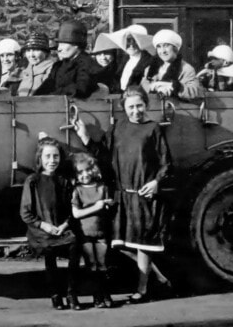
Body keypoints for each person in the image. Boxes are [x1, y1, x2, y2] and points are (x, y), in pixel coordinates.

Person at [74, 86, 173, 304]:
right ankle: (159, 278)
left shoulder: (153, 129)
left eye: (139, 106)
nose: (136, 111)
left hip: (143, 195)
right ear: (124, 108)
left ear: (146, 105)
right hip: (121, 194)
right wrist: (85, 138)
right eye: (131, 107)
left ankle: (142, 290)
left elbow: (166, 163)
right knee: (120, 244)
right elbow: (103, 155)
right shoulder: (118, 127)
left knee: (142, 245)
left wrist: (156, 183)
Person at [20, 136, 76, 310]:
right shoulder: (33, 181)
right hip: (42, 230)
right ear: (40, 158)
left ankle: (71, 294)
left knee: (75, 246)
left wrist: (64, 226)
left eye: (56, 156)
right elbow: (25, 212)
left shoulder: (64, 181)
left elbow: (72, 210)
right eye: (48, 157)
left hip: (62, 228)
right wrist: (44, 226)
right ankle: (55, 295)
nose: (52, 161)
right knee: (49, 251)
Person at [69, 152, 114, 309]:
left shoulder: (102, 188)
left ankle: (104, 294)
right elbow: (76, 213)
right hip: (85, 235)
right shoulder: (77, 191)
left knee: (103, 264)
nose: (84, 174)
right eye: (80, 172)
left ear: (93, 170)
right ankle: (96, 296)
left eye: (87, 170)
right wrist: (97, 206)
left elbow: (108, 209)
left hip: (101, 233)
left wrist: (108, 204)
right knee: (91, 265)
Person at [36, 20, 99, 98]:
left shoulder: (87, 64)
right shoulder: (58, 66)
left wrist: (54, 94)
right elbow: (45, 88)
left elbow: (81, 89)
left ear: (76, 45)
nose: (59, 49)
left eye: (63, 44)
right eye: (59, 44)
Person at [142, 29, 201, 100]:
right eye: (159, 47)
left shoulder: (186, 69)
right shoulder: (150, 68)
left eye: (166, 46)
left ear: (175, 48)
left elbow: (194, 92)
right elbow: (143, 86)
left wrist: (174, 86)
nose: (162, 51)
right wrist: (153, 87)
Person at [110, 25, 156, 93]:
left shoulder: (149, 61)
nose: (131, 45)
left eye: (135, 41)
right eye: (128, 41)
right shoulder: (121, 60)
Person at [18, 31, 56, 96]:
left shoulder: (53, 72)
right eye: (28, 50)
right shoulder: (24, 72)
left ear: (46, 52)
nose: (31, 55)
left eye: (36, 50)